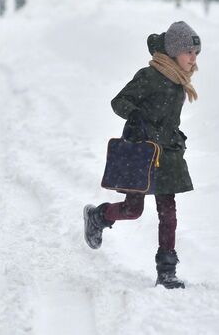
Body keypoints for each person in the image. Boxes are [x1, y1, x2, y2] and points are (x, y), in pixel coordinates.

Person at [83, 21, 201, 289]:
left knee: (168, 212)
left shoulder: (180, 81)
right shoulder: (150, 76)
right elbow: (119, 102)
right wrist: (136, 116)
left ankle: (166, 271)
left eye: (196, 54)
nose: (193, 59)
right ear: (173, 53)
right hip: (142, 151)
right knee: (133, 209)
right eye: (189, 53)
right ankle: (98, 217)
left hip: (167, 152)